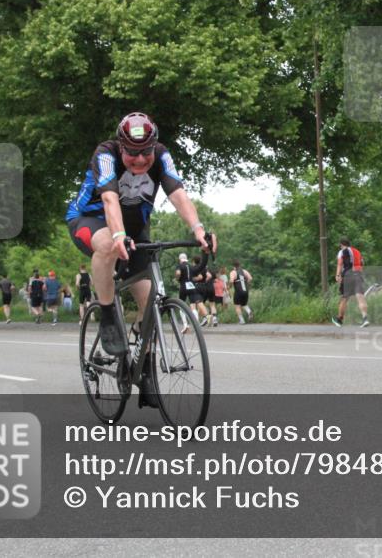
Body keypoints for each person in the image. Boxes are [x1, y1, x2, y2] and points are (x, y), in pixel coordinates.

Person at [65, 112, 213, 408]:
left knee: (151, 303)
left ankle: (144, 370)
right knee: (108, 245)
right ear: (121, 147)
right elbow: (109, 200)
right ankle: (108, 315)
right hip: (90, 220)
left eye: (146, 152)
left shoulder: (162, 156)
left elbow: (178, 194)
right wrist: (118, 234)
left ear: (154, 146)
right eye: (132, 153)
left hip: (135, 229)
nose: (140, 159)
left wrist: (199, 230)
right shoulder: (105, 154)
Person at [331, 237, 370, 327]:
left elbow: (340, 263)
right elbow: (362, 263)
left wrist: (338, 275)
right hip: (358, 275)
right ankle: (365, 319)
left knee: (344, 298)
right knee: (360, 297)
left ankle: (339, 320)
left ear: (341, 245)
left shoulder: (342, 251)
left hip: (348, 276)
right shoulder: (357, 252)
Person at [230, 260, 253, 324]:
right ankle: (249, 312)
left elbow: (231, 281)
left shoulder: (233, 272)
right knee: (244, 304)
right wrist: (246, 283)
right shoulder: (244, 271)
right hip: (245, 290)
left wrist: (230, 286)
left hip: (238, 291)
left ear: (233, 266)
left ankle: (242, 320)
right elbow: (250, 278)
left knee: (237, 306)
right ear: (239, 265)